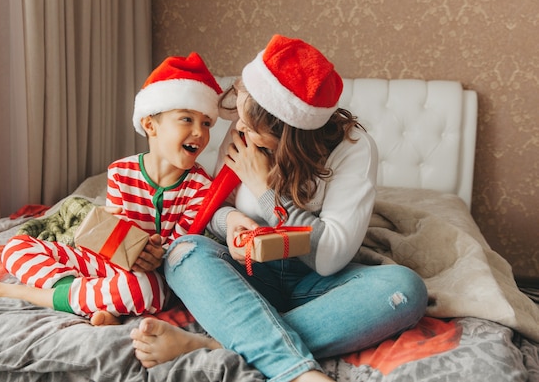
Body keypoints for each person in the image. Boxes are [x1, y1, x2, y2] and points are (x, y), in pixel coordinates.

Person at [129, 35, 428, 382]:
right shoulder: (244, 131)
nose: (238, 128)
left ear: (286, 135)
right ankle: (297, 372)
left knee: (404, 288)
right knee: (183, 252)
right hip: (252, 275)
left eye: (251, 127)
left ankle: (215, 343)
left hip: (316, 283)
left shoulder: (354, 149)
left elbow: (329, 257)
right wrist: (233, 224)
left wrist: (265, 191)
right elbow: (214, 211)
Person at [0, 52, 223, 326]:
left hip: (156, 277)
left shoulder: (201, 188)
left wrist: (159, 255)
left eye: (206, 123)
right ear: (150, 125)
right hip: (110, 268)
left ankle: (28, 294)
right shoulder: (121, 172)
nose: (200, 133)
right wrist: (104, 225)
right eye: (186, 119)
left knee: (143, 290)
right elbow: (117, 246)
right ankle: (92, 300)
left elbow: (179, 252)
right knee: (16, 247)